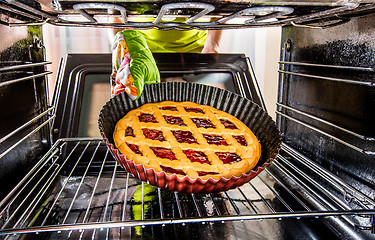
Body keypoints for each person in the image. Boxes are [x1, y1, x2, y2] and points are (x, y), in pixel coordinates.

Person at [110, 17, 222, 99]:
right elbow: (116, 17)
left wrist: (123, 49)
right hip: (190, 60)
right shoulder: (200, 77)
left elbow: (115, 17)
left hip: (143, 56)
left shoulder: (139, 78)